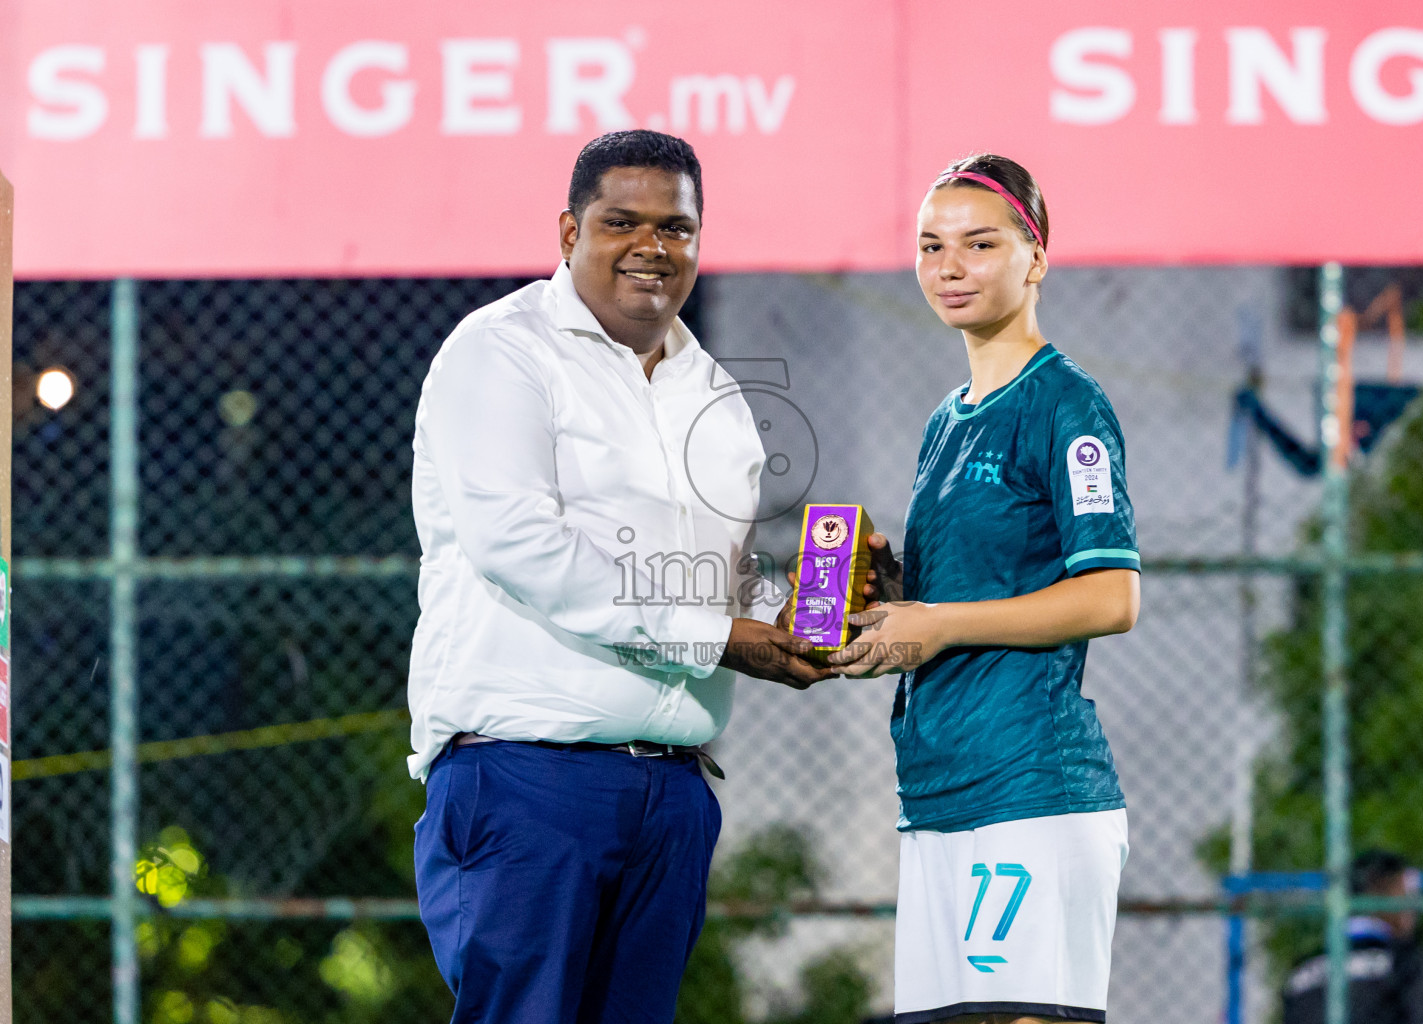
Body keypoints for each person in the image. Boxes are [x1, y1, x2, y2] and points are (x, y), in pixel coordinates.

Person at [408, 129, 832, 1024]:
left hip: (674, 792)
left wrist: (802, 616)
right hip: (528, 779)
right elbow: (520, 544)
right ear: (568, 233)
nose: (652, 246)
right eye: (621, 222)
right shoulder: (502, 351)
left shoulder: (712, 392)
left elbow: (731, 573)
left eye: (676, 228)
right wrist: (722, 637)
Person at [830, 154, 1141, 1024]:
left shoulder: (1066, 406)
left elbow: (1112, 597)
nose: (949, 266)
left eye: (978, 243)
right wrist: (889, 596)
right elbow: (956, 603)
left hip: (1029, 788)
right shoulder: (946, 418)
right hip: (939, 791)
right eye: (931, 246)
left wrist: (936, 622)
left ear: (1035, 257)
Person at [1282, 850, 1423, 1024]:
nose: (1412, 908)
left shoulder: (1301, 970)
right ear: (1384, 891)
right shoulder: (1402, 962)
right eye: (1406, 893)